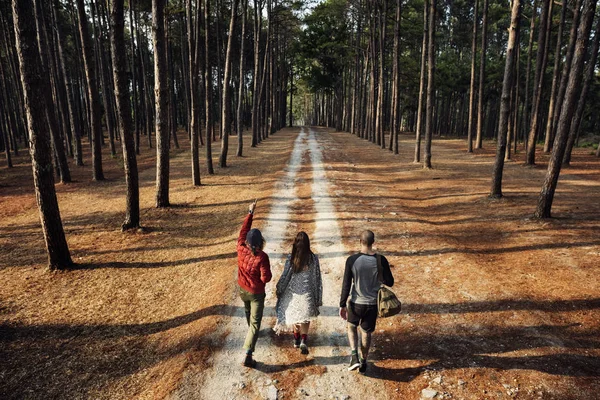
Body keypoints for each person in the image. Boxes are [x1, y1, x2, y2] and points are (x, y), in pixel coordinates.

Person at [339, 230, 394, 373]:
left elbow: (346, 284)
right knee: (366, 332)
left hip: (356, 303)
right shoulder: (381, 260)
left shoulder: (352, 260)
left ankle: (353, 356)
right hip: (372, 304)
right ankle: (363, 361)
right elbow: (390, 282)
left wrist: (342, 304)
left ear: (360, 241)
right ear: (373, 242)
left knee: (351, 327)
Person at [274, 232, 323, 355]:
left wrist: (280, 289)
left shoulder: (291, 258)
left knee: (296, 316)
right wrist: (318, 297)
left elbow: (286, 275)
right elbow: (317, 278)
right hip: (308, 294)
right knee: (305, 318)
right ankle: (303, 340)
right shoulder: (313, 259)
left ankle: (296, 339)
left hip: (294, 294)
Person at [237, 200, 272, 368]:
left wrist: (250, 213)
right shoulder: (262, 257)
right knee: (256, 321)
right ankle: (248, 354)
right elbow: (266, 278)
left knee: (247, 311)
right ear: (260, 243)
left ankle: (250, 331)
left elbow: (243, 231)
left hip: (242, 289)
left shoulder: (240, 247)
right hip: (256, 292)